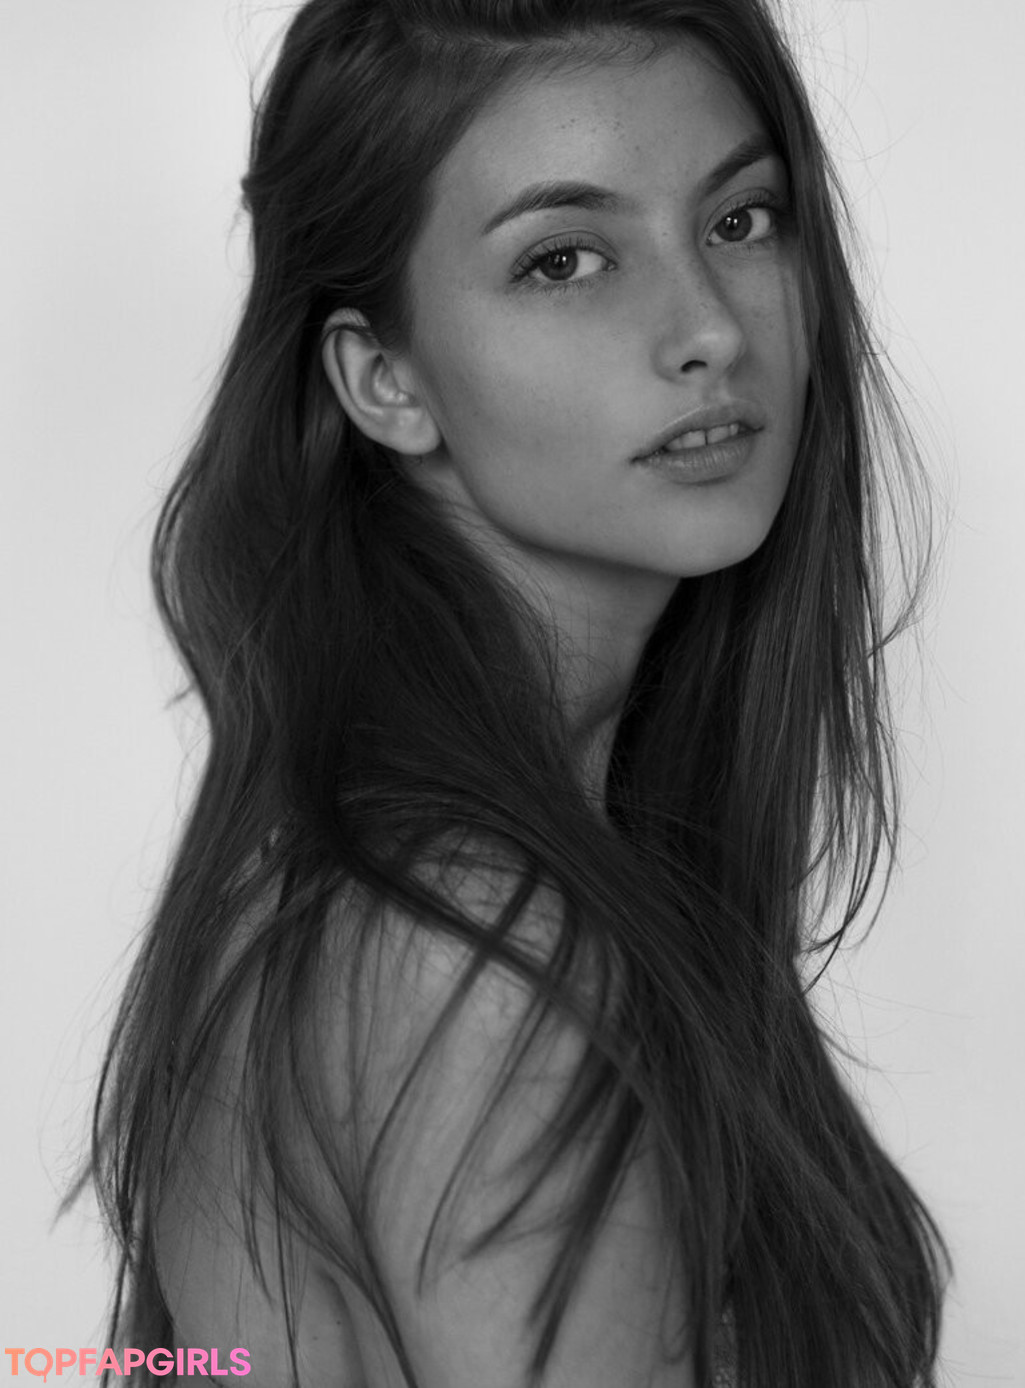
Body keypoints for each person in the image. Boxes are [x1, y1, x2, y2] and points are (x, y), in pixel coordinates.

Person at [88, 1, 949, 1384]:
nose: (709, 329)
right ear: (384, 380)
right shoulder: (476, 946)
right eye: (564, 260)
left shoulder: (425, 864)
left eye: (741, 221)